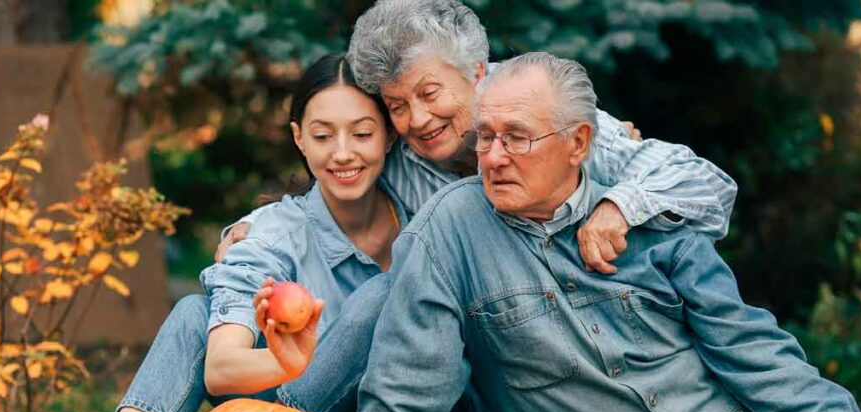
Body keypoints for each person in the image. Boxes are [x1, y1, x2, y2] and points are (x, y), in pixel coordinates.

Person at [356, 52, 861, 412]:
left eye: (517, 138)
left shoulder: (648, 219)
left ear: (578, 143)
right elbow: (408, 384)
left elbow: (753, 348)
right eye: (487, 137)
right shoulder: (449, 233)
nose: (494, 158)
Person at [0, 53, 478, 412]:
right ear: (297, 138)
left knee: (389, 290)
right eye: (321, 135)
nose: (343, 154)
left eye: (361, 133)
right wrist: (291, 361)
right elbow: (221, 369)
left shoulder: (430, 206)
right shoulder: (272, 234)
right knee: (191, 315)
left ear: (389, 137)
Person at [218, 0, 738, 273]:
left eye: (430, 93)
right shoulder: (402, 154)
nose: (418, 119)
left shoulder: (535, 108)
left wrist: (617, 208)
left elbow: (707, 184)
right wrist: (249, 226)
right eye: (397, 105)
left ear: (477, 73)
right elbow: (336, 179)